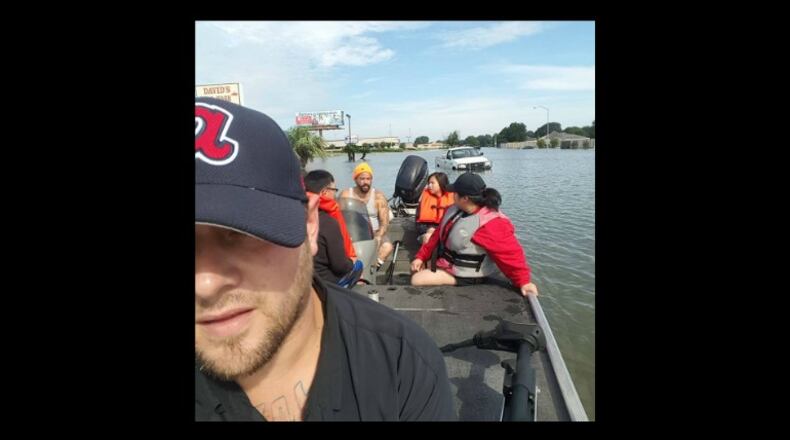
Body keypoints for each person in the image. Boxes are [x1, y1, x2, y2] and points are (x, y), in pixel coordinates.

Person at [195, 98, 455, 421]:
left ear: (310, 222)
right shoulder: (347, 198)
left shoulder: (403, 367)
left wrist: (378, 239)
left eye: (242, 233)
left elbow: (383, 225)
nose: (204, 284)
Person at [409, 172, 539, 297]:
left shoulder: (490, 223)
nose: (452, 195)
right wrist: (421, 257)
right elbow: (437, 235)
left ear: (465, 198)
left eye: (455, 192)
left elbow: (511, 254)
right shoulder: (455, 209)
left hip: (466, 275)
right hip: (447, 262)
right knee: (415, 268)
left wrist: (524, 282)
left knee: (417, 280)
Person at [304, 169, 363, 287]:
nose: (335, 194)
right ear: (324, 192)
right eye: (334, 190)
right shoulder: (329, 223)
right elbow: (340, 266)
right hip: (325, 283)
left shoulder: (294, 214)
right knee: (358, 265)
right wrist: (352, 262)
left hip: (303, 278)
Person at [339, 163, 393, 269]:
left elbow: (384, 223)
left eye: (368, 179)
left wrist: (378, 236)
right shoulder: (346, 194)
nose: (366, 182)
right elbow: (339, 218)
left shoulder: (378, 196)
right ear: (355, 179)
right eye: (362, 179)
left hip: (374, 233)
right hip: (353, 233)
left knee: (387, 246)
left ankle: (372, 269)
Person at [415, 172, 455, 245]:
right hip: (428, 229)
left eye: (432, 183)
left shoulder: (454, 197)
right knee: (428, 237)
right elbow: (418, 223)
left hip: (447, 229)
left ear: (441, 183)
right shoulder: (424, 197)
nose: (429, 186)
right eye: (429, 183)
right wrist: (430, 230)